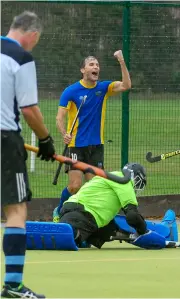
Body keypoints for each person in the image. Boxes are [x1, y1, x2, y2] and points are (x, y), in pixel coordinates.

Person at [1, 11, 55, 298]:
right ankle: (12, 286)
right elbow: (29, 109)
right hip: (4, 138)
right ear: (32, 35)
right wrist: (45, 140)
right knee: (16, 210)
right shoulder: (21, 57)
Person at [53, 50, 131, 222]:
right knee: (74, 186)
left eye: (97, 65)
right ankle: (58, 211)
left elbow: (126, 85)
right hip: (76, 145)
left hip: (96, 146)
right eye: (91, 64)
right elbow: (60, 117)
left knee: (94, 187)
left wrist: (122, 62)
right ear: (83, 70)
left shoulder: (103, 88)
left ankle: (85, 219)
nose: (95, 67)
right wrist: (64, 133)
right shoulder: (71, 91)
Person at [58, 163, 148, 248]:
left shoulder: (107, 176)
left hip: (69, 208)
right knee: (65, 239)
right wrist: (144, 231)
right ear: (135, 176)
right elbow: (132, 216)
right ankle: (66, 233)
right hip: (84, 214)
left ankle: (75, 235)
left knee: (106, 232)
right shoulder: (125, 182)